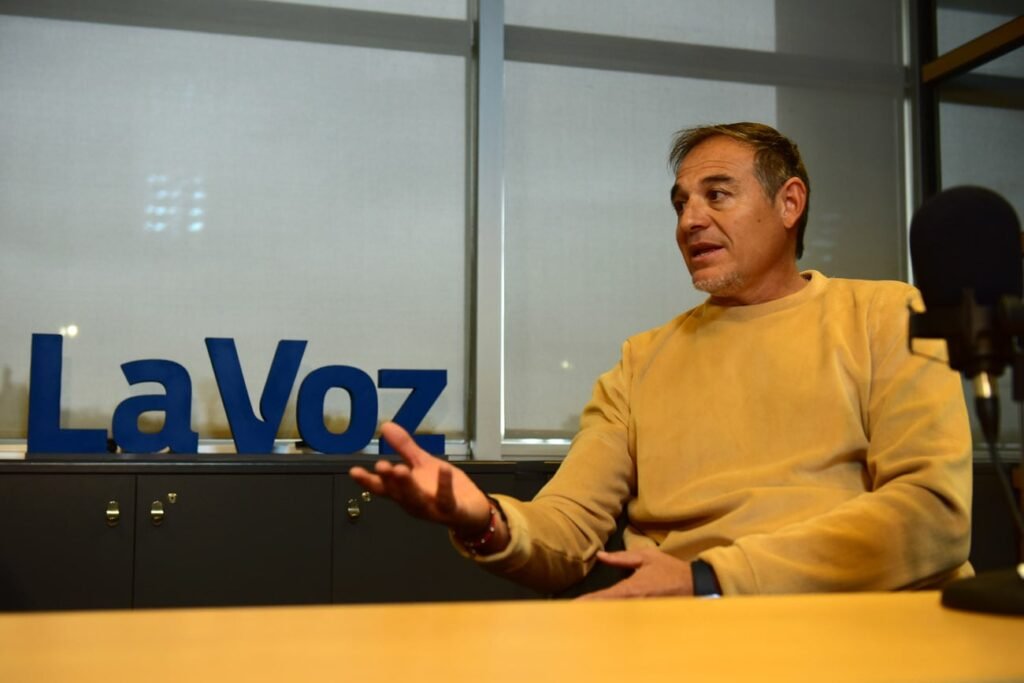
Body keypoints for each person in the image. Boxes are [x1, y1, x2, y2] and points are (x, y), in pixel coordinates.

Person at [351, 122, 973, 598]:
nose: (690, 221)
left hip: (861, 622)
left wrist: (712, 578)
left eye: (717, 195)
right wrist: (484, 519)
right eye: (680, 204)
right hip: (685, 634)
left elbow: (932, 513)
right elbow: (569, 527)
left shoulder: (887, 314)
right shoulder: (641, 361)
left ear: (789, 204)